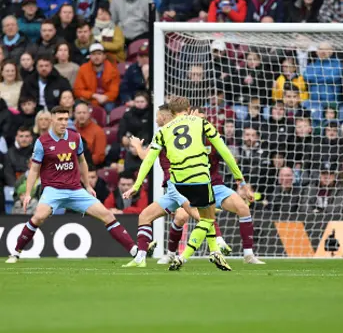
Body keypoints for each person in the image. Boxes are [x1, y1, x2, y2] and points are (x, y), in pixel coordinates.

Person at [121, 97, 245, 269]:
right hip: (200, 178)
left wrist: (136, 185)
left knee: (160, 216)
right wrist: (238, 174)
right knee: (206, 218)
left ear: (171, 112)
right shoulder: (201, 123)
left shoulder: (163, 132)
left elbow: (147, 160)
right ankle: (192, 254)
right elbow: (223, 149)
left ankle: (200, 251)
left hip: (177, 182)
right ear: (188, 108)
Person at [5, 106, 138, 263]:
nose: (63, 123)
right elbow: (34, 169)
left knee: (107, 215)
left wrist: (87, 185)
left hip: (75, 190)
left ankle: (135, 251)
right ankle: (15, 252)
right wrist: (28, 193)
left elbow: (82, 161)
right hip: (53, 190)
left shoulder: (75, 137)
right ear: (52, 120)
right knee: (38, 217)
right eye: (60, 119)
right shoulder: (43, 142)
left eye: (66, 119)